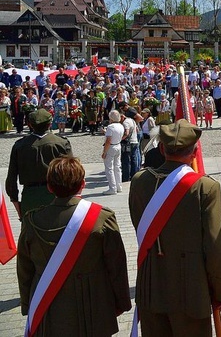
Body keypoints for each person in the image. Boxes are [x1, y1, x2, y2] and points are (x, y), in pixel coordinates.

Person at [129, 119, 221, 336]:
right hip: (191, 289)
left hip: (151, 284)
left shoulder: (139, 181)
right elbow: (215, 247)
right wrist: (220, 289)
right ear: (194, 152)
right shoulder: (205, 187)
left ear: (162, 149)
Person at [16, 156, 131, 336]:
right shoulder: (101, 218)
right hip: (93, 304)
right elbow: (116, 267)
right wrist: (121, 302)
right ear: (83, 184)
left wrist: (28, 305)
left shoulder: (31, 221)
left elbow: (24, 270)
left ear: (49, 186)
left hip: (48, 304)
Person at [6, 109, 73, 219]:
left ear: (30, 124)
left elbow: (11, 177)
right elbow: (72, 173)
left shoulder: (19, 145)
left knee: (31, 233)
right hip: (57, 195)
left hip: (30, 196)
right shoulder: (61, 143)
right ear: (50, 123)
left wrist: (15, 201)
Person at [102, 110, 124, 195]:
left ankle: (112, 188)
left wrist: (104, 152)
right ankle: (119, 186)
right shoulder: (120, 126)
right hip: (118, 145)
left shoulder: (110, 127)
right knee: (117, 167)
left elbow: (108, 140)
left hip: (111, 146)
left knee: (109, 168)